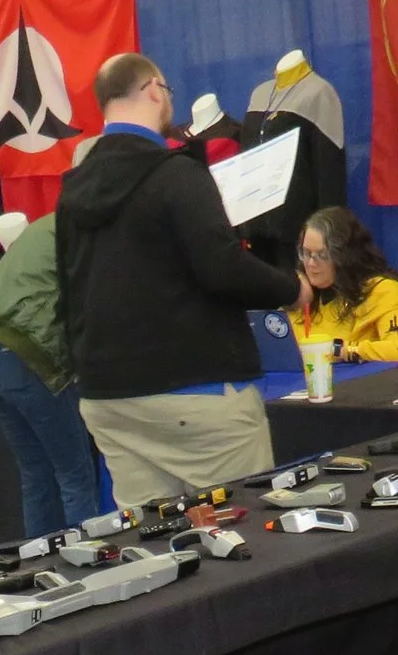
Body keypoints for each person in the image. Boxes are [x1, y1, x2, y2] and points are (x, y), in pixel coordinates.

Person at [56, 52, 307, 507]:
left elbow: (68, 288)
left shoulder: (73, 189)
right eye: (167, 91)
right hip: (196, 391)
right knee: (246, 527)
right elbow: (222, 267)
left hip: (109, 397)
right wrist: (292, 288)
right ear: (154, 90)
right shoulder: (176, 174)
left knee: (153, 541)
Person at [0, 211, 103, 536]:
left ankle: (41, 559)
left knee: (36, 471)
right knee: (75, 473)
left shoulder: (47, 227)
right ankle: (88, 557)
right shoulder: (90, 233)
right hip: (26, 355)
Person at [291, 209, 398, 363]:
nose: (311, 263)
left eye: (322, 255)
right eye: (306, 253)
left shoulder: (381, 289)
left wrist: (341, 350)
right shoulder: (300, 293)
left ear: (345, 257)